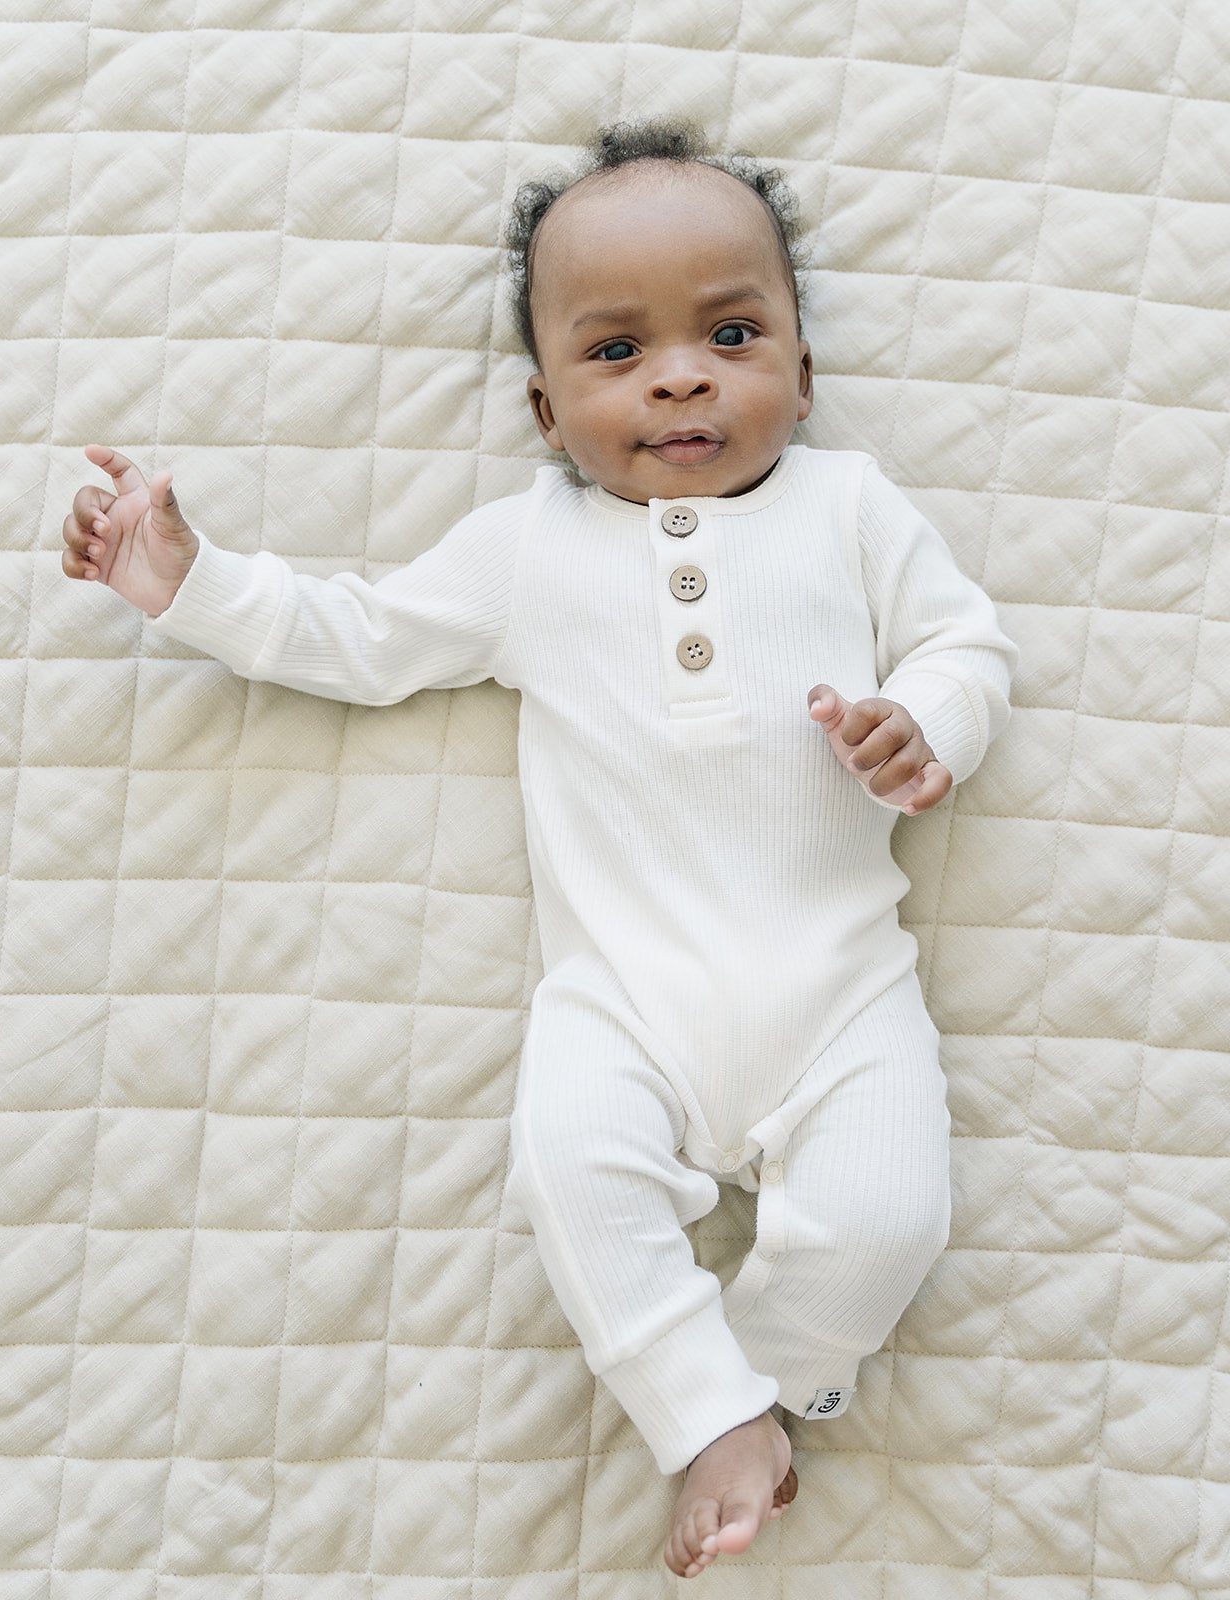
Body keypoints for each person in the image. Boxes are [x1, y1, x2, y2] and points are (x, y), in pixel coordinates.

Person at [59, 117, 1019, 1581]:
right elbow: (360, 638)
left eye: (733, 334)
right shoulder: (528, 548)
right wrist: (191, 583)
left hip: (840, 984)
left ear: (806, 372)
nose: (682, 376)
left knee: (892, 1215)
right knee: (570, 1179)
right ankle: (703, 1410)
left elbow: (966, 643)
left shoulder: (850, 509)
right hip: (619, 996)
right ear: (546, 408)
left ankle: (755, 1391)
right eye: (618, 352)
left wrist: (925, 724)